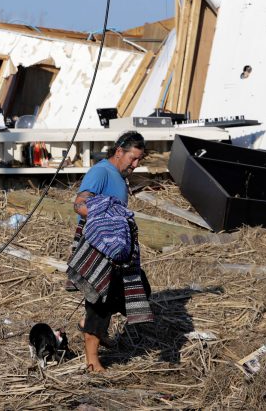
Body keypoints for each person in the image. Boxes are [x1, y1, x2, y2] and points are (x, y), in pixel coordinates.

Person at [67, 131, 153, 373]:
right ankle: (92, 361)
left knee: (138, 292)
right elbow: (79, 203)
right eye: (133, 159)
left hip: (117, 250)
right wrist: (105, 222)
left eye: (139, 160)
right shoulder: (101, 172)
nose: (135, 165)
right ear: (119, 152)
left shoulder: (118, 175)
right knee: (99, 302)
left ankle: (91, 326)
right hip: (99, 246)